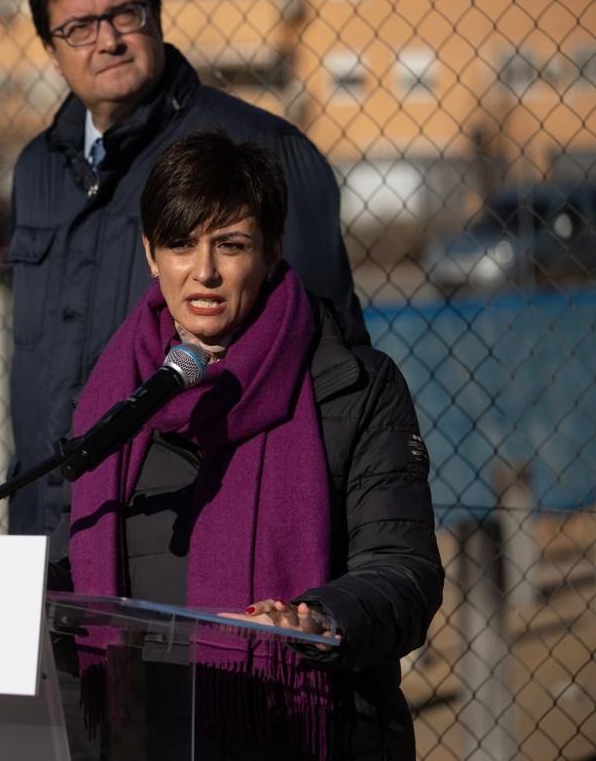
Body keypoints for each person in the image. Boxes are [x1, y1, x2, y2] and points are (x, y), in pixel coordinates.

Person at [56, 130, 442, 759]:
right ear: (151, 254)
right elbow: (83, 560)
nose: (203, 271)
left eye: (230, 245)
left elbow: (406, 572)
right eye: (181, 244)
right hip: (141, 732)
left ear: (270, 251)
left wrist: (318, 619)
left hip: (305, 732)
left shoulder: (353, 387)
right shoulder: (111, 397)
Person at [9, 0, 359, 536]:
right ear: (50, 46)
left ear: (156, 17)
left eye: (125, 14)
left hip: (191, 522)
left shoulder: (261, 151)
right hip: (51, 525)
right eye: (79, 28)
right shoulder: (37, 168)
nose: (109, 41)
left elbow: (329, 360)